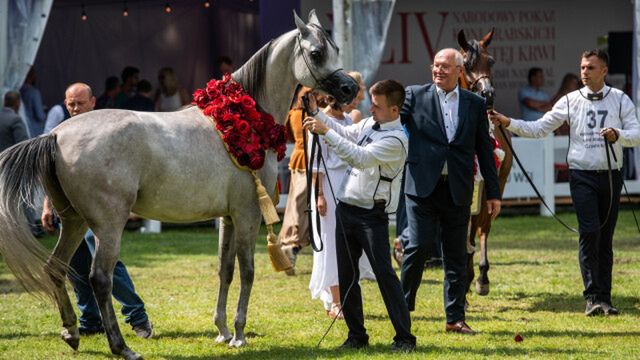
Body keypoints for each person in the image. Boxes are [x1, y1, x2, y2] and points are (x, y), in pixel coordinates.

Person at [489, 49, 640, 317]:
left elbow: (636, 134)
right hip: (581, 174)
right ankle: (592, 296)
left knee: (605, 238)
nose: (584, 72)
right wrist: (508, 122)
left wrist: (619, 135)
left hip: (610, 174)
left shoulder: (619, 100)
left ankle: (605, 298)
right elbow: (540, 128)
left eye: (591, 68)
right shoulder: (570, 100)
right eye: (582, 67)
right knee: (589, 232)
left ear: (604, 71)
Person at [304, 79, 416, 352]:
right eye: (371, 104)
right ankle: (356, 335)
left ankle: (405, 338)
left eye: (377, 106)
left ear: (394, 110)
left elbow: (360, 157)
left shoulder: (397, 139)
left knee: (385, 276)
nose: (371, 109)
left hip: (371, 214)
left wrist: (325, 132)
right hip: (347, 208)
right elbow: (346, 131)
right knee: (347, 275)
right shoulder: (369, 124)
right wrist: (316, 113)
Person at [400, 48, 501, 335]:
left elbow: (484, 149)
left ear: (459, 70)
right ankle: (402, 309)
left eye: (445, 66)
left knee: (457, 256)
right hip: (421, 188)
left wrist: (493, 193)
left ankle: (455, 319)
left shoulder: (474, 104)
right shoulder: (414, 96)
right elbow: (390, 120)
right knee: (417, 247)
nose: (438, 71)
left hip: (458, 188)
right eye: (435, 66)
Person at [41, 82, 154, 337]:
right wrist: (47, 205)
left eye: (80, 103)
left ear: (93, 102)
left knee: (105, 261)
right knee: (78, 266)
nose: (75, 108)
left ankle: (137, 317)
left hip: (97, 210)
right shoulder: (62, 132)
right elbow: (51, 171)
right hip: (69, 210)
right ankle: (91, 320)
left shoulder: (105, 131)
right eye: (70, 103)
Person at [307, 75, 375, 320]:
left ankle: (342, 296)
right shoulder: (315, 123)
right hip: (328, 187)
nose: (353, 103)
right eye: (349, 98)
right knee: (330, 245)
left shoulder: (347, 121)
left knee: (347, 244)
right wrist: (319, 195)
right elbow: (315, 162)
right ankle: (335, 300)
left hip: (349, 186)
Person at [279, 86, 312, 275]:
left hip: (298, 158)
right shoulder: (310, 115)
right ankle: (291, 245)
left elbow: (289, 136)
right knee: (301, 207)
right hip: (309, 160)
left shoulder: (293, 113)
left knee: (295, 205)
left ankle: (290, 244)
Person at [19, 67, 46, 137]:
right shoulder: (34, 92)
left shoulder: (18, 90)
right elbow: (40, 115)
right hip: (34, 130)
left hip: (22, 127)